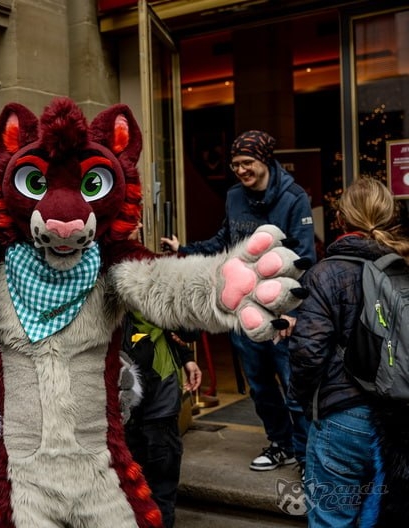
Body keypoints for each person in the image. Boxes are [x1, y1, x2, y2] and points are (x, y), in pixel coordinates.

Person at [161, 129, 316, 473]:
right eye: (235, 165)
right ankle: (281, 445)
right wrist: (184, 250)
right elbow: (224, 241)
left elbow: (305, 259)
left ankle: (308, 457)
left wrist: (293, 311)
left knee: (294, 388)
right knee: (260, 386)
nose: (241, 170)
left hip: (281, 313)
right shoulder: (234, 197)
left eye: (247, 162)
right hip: (244, 311)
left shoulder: (293, 199)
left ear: (264, 160)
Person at [288, 177, 409, 527]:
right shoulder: (403, 267)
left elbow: (308, 354)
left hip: (343, 416)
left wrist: (307, 404)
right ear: (389, 216)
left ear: (341, 219)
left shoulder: (325, 273)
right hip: (398, 421)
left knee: (332, 519)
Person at [123, 313, 202, 528]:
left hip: (151, 400)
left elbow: (177, 326)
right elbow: (186, 325)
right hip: (148, 402)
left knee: (147, 492)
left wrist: (186, 355)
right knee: (156, 491)